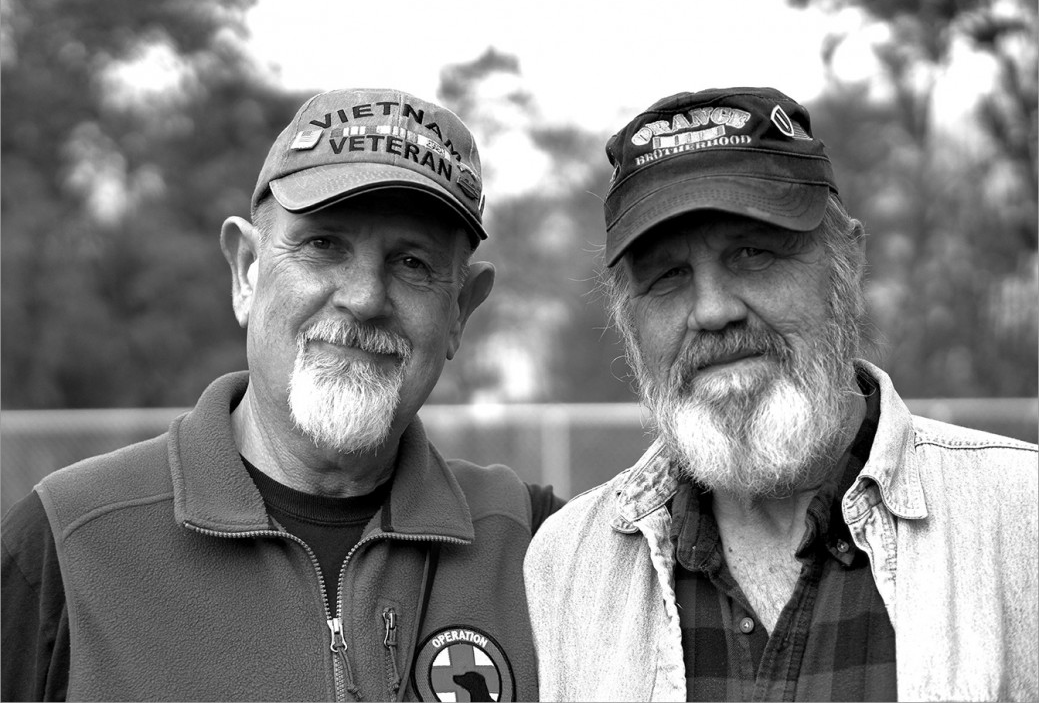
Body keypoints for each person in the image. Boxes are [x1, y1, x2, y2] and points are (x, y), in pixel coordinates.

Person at [2, 88, 563, 702]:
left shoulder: (540, 548)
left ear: (459, 310)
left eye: (412, 263)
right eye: (324, 245)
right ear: (246, 268)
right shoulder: (66, 545)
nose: (365, 297)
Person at [523, 86, 1038, 702]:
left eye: (753, 253)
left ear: (846, 262)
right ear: (628, 321)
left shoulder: (1019, 521)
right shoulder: (566, 567)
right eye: (668, 275)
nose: (712, 311)